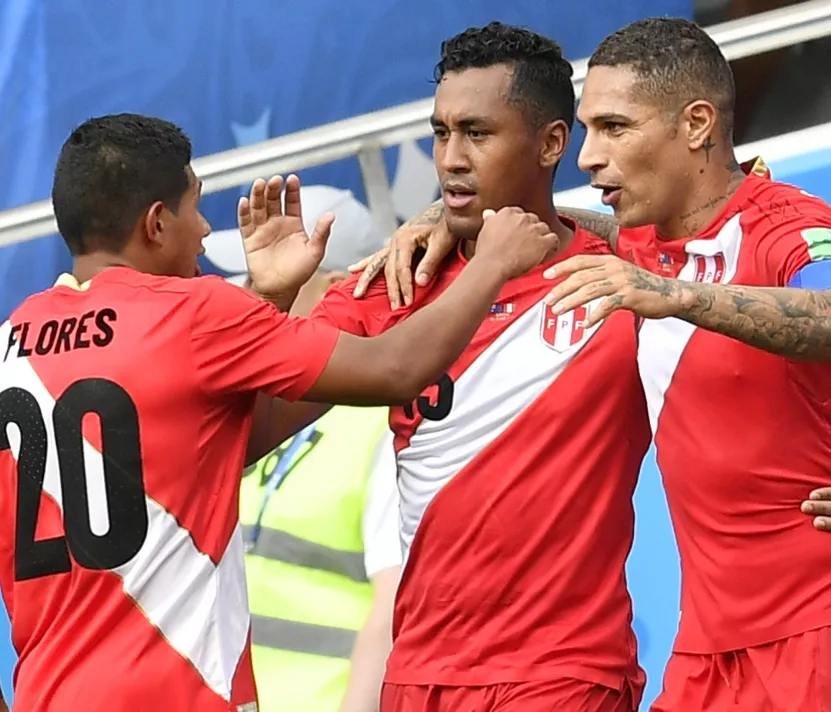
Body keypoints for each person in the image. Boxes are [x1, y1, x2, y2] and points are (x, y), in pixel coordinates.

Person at [0, 113, 556, 712]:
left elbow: (219, 439)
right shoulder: (191, 312)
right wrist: (492, 265)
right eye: (195, 208)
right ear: (156, 224)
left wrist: (272, 301)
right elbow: (397, 368)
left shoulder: (9, 347)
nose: (208, 232)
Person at [357, 17, 831, 712]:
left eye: (614, 128)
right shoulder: (638, 244)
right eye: (586, 130)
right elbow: (565, 223)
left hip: (813, 630)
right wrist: (448, 212)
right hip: (705, 654)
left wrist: (674, 297)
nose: (587, 156)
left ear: (696, 124)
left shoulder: (784, 225)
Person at [265, 22, 651, 712]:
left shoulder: (624, 282)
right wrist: (270, 299)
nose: (450, 158)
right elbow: (250, 432)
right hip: (418, 677)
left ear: (552, 143)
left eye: (477, 133)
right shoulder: (391, 286)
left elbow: (736, 262)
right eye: (441, 133)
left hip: (562, 673)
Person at [217, 188, 403, 712]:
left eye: (278, 271)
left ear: (338, 287)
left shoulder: (380, 424)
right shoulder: (240, 408)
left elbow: (393, 606)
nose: (246, 290)